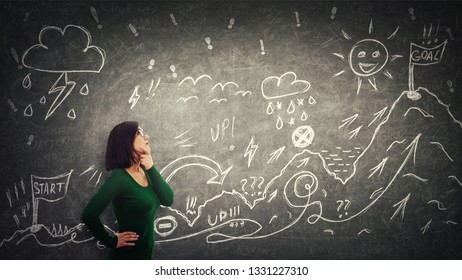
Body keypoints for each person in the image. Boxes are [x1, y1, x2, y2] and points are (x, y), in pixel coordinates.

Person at [81, 121, 174, 259]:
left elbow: (168, 200)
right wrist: (111, 241)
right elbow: (89, 215)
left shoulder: (145, 170)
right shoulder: (119, 178)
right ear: (126, 140)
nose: (146, 136)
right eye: (139, 133)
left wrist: (151, 167)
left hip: (145, 256)